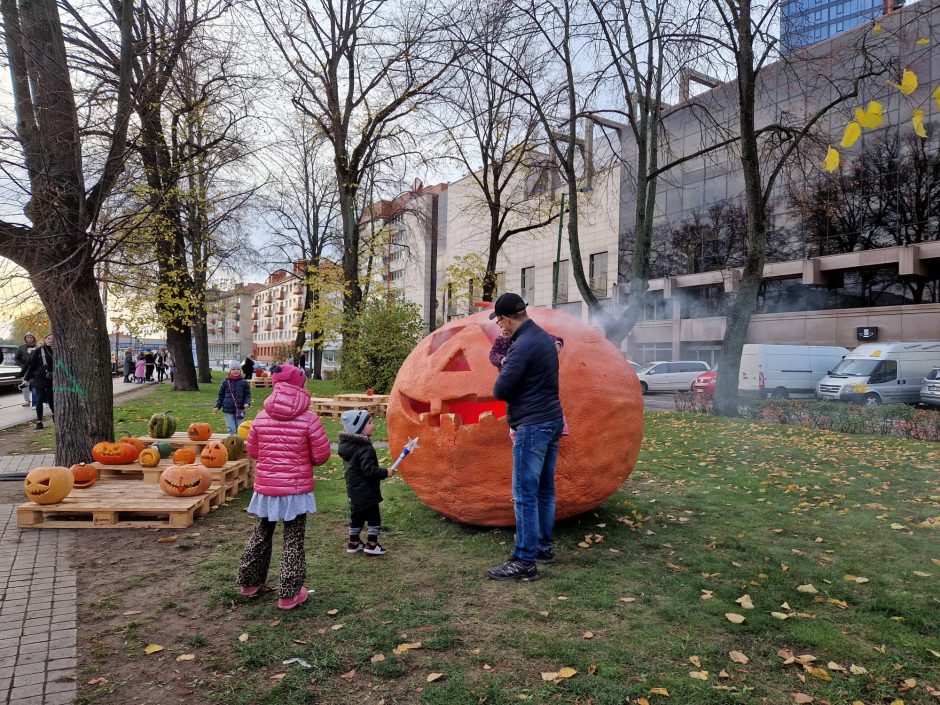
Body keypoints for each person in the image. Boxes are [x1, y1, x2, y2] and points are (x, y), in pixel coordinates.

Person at [237, 365, 331, 610]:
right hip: (295, 491)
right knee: (293, 539)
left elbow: (253, 450)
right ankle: (289, 593)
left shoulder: (260, 416)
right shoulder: (309, 418)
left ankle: (249, 582)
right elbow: (321, 456)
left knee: (261, 533)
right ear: (300, 386)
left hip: (267, 488)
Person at [486, 293, 564, 582]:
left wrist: (505, 365)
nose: (501, 327)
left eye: (501, 322)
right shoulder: (543, 338)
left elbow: (501, 390)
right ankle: (543, 547)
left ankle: (524, 560)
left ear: (506, 318)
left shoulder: (521, 347)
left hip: (531, 425)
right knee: (544, 490)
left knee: (524, 495)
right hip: (552, 420)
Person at [490, 329, 569, 441]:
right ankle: (515, 432)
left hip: (532, 377)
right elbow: (493, 355)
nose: (505, 331)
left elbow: (548, 338)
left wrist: (557, 343)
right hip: (514, 378)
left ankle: (560, 424)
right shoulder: (501, 342)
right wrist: (503, 360)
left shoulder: (528, 335)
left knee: (544, 399)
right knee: (516, 404)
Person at [339, 410, 394, 556]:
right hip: (367, 491)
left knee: (356, 516)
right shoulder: (365, 448)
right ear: (359, 428)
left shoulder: (347, 447)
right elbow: (368, 470)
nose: (373, 425)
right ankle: (372, 543)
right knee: (373, 517)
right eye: (369, 423)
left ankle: (354, 542)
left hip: (354, 491)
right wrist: (385, 472)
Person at [22, 333, 55, 430]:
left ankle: (55, 417)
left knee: (51, 399)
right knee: (39, 399)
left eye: (53, 338)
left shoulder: (58, 350)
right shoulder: (38, 351)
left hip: (51, 378)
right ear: (44, 340)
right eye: (48, 338)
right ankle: (39, 422)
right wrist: (26, 379)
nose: (50, 340)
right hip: (39, 378)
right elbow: (31, 366)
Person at [213, 361, 251, 435]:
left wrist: (247, 403)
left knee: (240, 429)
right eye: (233, 369)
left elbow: (247, 395)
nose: (235, 371)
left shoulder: (244, 382)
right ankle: (231, 444)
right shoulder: (225, 382)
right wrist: (217, 406)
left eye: (237, 369)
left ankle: (239, 444)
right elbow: (221, 395)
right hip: (228, 409)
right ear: (230, 371)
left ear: (240, 370)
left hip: (240, 409)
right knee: (231, 429)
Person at [14, 333, 37, 407]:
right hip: (25, 370)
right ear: (25, 338)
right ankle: (27, 400)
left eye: (31, 337)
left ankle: (36, 401)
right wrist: (22, 366)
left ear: (33, 338)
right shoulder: (21, 347)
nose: (29, 338)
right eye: (28, 337)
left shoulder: (38, 347)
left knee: (36, 385)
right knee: (25, 385)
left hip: (36, 370)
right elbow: (16, 359)